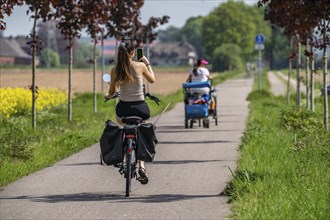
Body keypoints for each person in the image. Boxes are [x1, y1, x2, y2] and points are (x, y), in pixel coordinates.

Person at [104, 40, 155, 185]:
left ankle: (123, 148)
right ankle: (142, 166)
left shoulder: (115, 70)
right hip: (141, 108)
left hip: (124, 110)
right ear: (133, 53)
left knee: (122, 124)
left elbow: (112, 91)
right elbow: (152, 80)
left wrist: (107, 96)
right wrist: (147, 62)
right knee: (142, 130)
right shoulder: (140, 66)